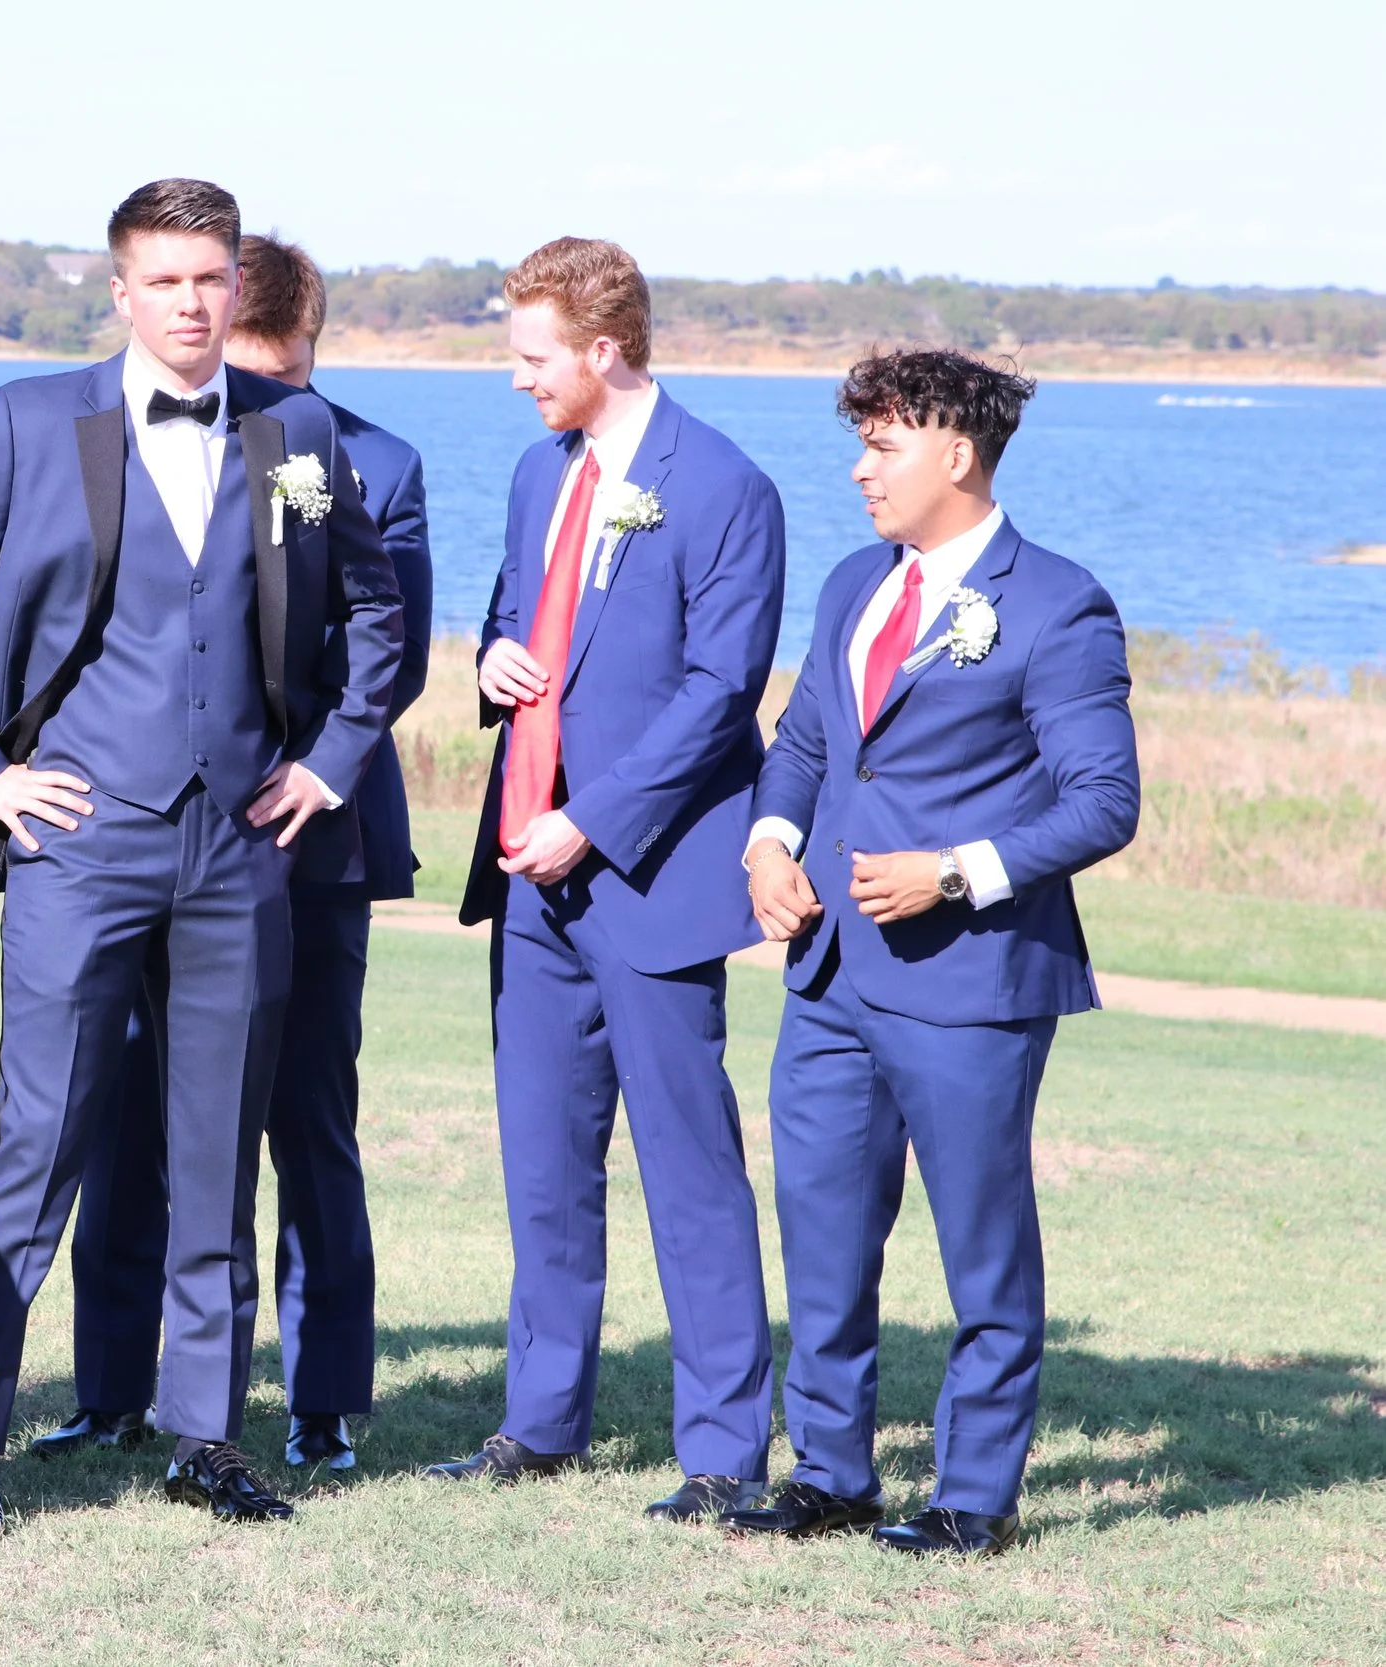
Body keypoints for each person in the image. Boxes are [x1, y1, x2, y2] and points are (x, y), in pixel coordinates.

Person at [0, 178, 403, 1534]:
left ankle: (205, 1435)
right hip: (80, 839)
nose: (189, 302)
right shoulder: (29, 420)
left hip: (241, 847)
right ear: (120, 291)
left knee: (220, 1149)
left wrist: (331, 759)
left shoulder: (295, 429)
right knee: (37, 1138)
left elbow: (376, 611)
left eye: (210, 278)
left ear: (236, 286)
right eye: (163, 280)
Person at [725, 350, 1138, 1557]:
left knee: (982, 1246)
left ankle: (972, 1497)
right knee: (822, 1235)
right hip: (828, 975)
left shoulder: (1056, 603)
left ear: (956, 452)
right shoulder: (854, 581)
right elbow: (805, 742)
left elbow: (1103, 801)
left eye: (882, 446)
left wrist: (950, 870)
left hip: (972, 979)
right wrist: (768, 842)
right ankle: (830, 1473)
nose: (860, 471)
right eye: (860, 445)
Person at [36, 233, 432, 1474]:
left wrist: (303, 767)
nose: (257, 387)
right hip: (148, 835)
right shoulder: (124, 429)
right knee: (123, 1119)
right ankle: (112, 1385)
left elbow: (392, 646)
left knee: (308, 1121)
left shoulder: (365, 458)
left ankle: (321, 1394)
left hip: (307, 840)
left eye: (283, 365)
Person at [426, 238, 785, 1522]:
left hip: (652, 878)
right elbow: (513, 616)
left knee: (689, 1172)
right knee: (541, 1164)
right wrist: (492, 659)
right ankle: (539, 1422)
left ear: (602, 348)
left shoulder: (727, 487)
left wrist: (595, 820)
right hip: (530, 882)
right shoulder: (541, 472)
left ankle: (723, 1453)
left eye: (532, 357)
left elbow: (720, 691)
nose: (516, 379)